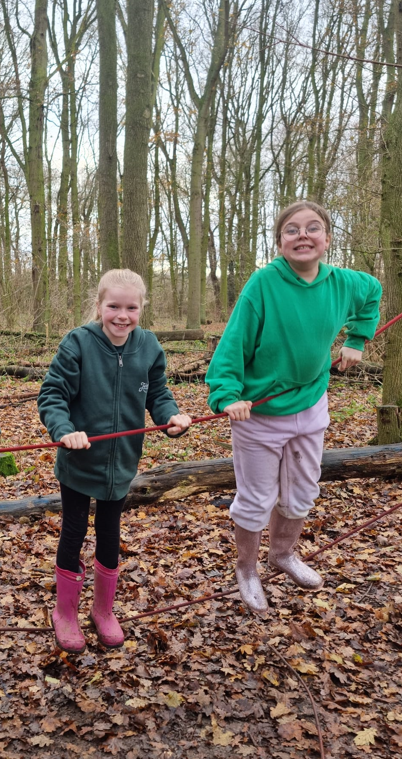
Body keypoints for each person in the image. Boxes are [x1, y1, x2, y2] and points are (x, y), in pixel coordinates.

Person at [206, 201, 382, 614]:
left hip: (312, 407)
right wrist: (227, 394)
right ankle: (247, 569)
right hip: (260, 416)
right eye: (292, 229)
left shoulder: (344, 283)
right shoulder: (263, 284)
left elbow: (372, 292)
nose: (303, 235)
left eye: (313, 227)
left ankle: (283, 554)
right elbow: (233, 344)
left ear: (327, 239)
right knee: (256, 497)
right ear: (280, 241)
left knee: (302, 490)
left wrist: (356, 339)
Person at [37, 269, 191, 653]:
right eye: (113, 306)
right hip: (79, 462)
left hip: (122, 463)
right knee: (73, 532)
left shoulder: (149, 346)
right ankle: (65, 613)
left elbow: (158, 393)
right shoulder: (78, 342)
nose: (122, 315)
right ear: (99, 306)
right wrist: (64, 429)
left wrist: (170, 417)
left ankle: (103, 611)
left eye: (131, 307)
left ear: (142, 309)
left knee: (109, 534)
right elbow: (52, 394)